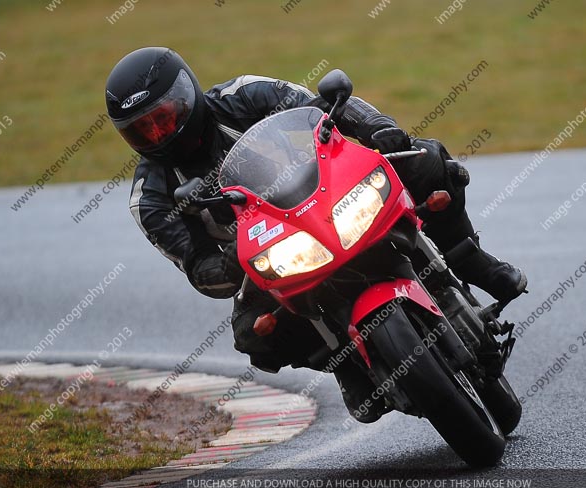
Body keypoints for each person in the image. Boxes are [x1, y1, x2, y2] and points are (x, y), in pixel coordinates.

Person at [105, 47, 527, 422]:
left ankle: (468, 258)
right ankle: (344, 363)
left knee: (426, 160)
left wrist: (378, 126)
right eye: (142, 131)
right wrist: (232, 260)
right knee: (252, 334)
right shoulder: (151, 200)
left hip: (332, 196)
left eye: (163, 119)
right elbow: (200, 271)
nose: (158, 135)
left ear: (187, 98)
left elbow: (323, 106)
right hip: (277, 257)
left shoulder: (242, 95)